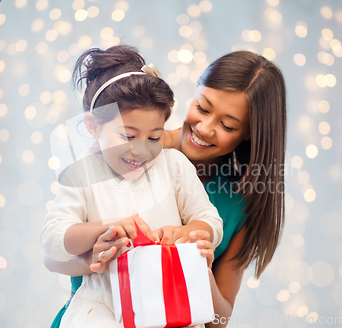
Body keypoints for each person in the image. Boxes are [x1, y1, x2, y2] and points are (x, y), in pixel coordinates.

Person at [44, 50, 286, 328]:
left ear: (249, 133)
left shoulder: (226, 194)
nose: (205, 128)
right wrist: (98, 251)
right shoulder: (110, 153)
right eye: (203, 107)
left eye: (227, 125)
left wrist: (197, 265)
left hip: (169, 315)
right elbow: (52, 251)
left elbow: (218, 321)